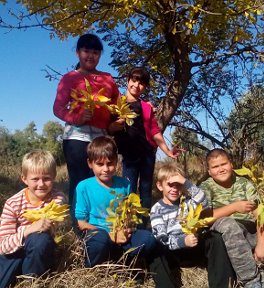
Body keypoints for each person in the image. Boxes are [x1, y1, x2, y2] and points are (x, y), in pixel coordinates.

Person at [73, 136, 175, 287]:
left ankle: (127, 262)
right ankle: (94, 268)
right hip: (99, 236)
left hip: (121, 235)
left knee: (149, 238)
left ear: (116, 161)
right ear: (90, 164)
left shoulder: (124, 184)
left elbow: (130, 215)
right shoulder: (83, 187)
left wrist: (127, 229)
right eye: (99, 164)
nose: (106, 169)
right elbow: (81, 223)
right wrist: (110, 235)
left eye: (110, 163)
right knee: (99, 240)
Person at [200, 148, 264, 288]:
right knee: (227, 223)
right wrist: (234, 207)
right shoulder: (205, 187)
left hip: (251, 230)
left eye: (224, 164)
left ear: (231, 164)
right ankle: (250, 280)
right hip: (229, 235)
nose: (221, 169)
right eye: (215, 167)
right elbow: (204, 218)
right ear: (209, 171)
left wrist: (261, 243)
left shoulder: (244, 183)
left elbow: (260, 213)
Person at [53, 33, 120, 206]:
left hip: (101, 138)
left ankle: (100, 225)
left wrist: (117, 122)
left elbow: (118, 107)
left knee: (102, 181)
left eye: (96, 52)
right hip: (76, 137)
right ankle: (80, 227)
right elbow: (58, 108)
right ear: (78, 53)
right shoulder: (69, 78)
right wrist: (76, 117)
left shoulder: (107, 79)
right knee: (80, 183)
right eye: (86, 51)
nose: (91, 56)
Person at [150, 162, 236, 288]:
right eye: (170, 185)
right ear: (160, 186)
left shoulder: (188, 203)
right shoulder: (156, 209)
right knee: (155, 248)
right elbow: (162, 238)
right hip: (173, 254)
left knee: (214, 237)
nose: (174, 189)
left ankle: (223, 284)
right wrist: (182, 241)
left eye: (178, 185)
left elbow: (203, 201)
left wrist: (186, 182)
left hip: (193, 248)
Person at [113, 67, 179, 213]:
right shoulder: (117, 104)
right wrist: (116, 124)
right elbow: (109, 128)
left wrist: (167, 151)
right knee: (128, 190)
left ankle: (144, 224)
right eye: (134, 80)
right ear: (128, 81)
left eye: (141, 83)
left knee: (145, 189)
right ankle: (128, 223)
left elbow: (155, 131)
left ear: (145, 87)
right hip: (129, 155)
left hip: (147, 154)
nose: (136, 85)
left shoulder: (146, 107)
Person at [0, 150, 66, 288]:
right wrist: (28, 229)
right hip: (14, 251)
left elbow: (52, 228)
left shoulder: (57, 198)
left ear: (54, 176)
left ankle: (33, 281)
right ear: (24, 179)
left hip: (40, 249)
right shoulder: (13, 204)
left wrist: (36, 230)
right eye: (35, 179)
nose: (41, 184)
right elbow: (3, 246)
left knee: (39, 238)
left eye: (46, 178)